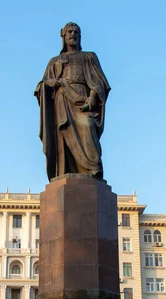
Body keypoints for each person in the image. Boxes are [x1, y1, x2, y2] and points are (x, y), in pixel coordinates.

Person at [35, 22, 111, 181]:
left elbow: (100, 82)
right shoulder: (54, 61)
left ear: (80, 36)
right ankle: (65, 172)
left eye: (76, 31)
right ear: (63, 35)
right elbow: (41, 86)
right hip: (62, 102)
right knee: (63, 136)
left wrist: (93, 96)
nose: (73, 34)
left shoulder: (88, 57)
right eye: (69, 31)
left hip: (83, 101)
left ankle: (92, 170)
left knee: (88, 128)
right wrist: (50, 84)